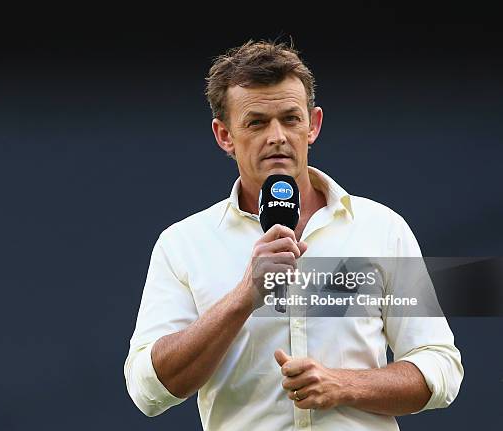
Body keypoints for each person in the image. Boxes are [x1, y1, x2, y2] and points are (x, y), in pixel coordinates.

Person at [124, 40, 463, 430]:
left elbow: (440, 367)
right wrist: (243, 298)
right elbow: (148, 390)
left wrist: (343, 385)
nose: (278, 136)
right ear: (224, 135)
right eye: (256, 122)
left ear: (313, 125)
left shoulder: (381, 229)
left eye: (290, 118)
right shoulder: (183, 244)